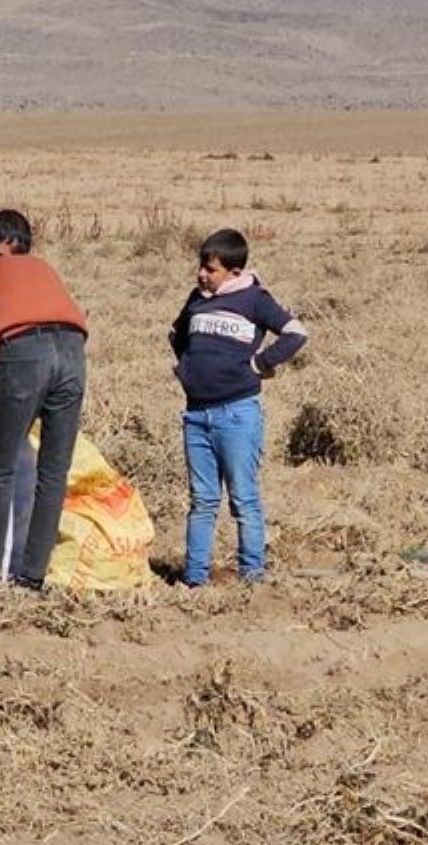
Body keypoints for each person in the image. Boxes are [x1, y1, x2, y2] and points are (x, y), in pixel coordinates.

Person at [0, 210, 89, 590]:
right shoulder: (41, 266)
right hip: (74, 350)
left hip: (26, 352)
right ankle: (32, 578)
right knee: (53, 473)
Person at [170, 228, 308, 586]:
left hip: (237, 414)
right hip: (196, 415)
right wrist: (187, 368)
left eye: (211, 269)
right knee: (202, 501)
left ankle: (252, 575)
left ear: (234, 271)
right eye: (201, 266)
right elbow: (177, 335)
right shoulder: (196, 300)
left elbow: (296, 333)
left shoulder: (255, 299)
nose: (202, 274)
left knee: (243, 499)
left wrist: (260, 365)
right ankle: (195, 579)